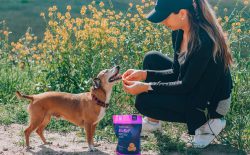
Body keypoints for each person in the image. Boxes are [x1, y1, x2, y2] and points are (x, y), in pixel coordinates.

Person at [122, 0, 233, 148]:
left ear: (182, 13)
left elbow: (185, 85)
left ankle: (208, 124)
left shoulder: (204, 41)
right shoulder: (179, 32)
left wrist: (146, 86)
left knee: (143, 101)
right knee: (151, 59)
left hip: (211, 102)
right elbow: (176, 72)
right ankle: (153, 122)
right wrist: (144, 74)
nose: (162, 21)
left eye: (165, 16)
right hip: (194, 85)